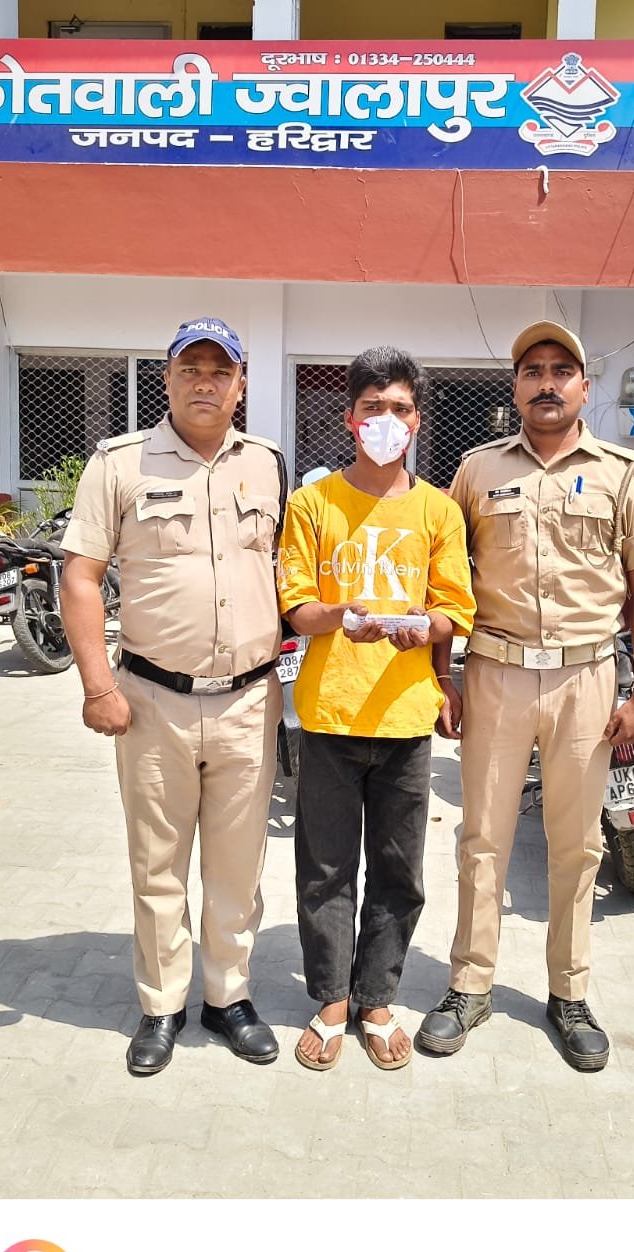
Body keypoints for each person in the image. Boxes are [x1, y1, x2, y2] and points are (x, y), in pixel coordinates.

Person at [420, 321, 634, 1072]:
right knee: (482, 840)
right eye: (533, 370)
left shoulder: (624, 472)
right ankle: (470, 984)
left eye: (562, 370)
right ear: (516, 387)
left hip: (586, 678)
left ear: (585, 387)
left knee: (578, 844)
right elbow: (444, 576)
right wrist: (442, 675)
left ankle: (569, 992)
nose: (547, 382)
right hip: (494, 673)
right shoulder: (477, 469)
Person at [60, 317, 286, 1077]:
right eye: (190, 369)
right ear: (166, 379)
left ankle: (228, 997)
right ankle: (162, 1004)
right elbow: (80, 576)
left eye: (220, 371)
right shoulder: (119, 464)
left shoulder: (268, 465)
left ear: (241, 384)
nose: (205, 383)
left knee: (237, 865)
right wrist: (98, 685)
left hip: (249, 702)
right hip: (153, 700)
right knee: (158, 863)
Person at [277, 346, 476, 1071]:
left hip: (405, 718)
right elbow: (297, 606)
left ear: (417, 420)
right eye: (372, 408)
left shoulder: (439, 511)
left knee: (399, 871)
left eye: (399, 408)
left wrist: (427, 628)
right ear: (349, 419)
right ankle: (331, 1000)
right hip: (329, 714)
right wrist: (341, 615)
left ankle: (377, 999)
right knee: (325, 867)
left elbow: (455, 608)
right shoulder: (312, 504)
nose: (386, 421)